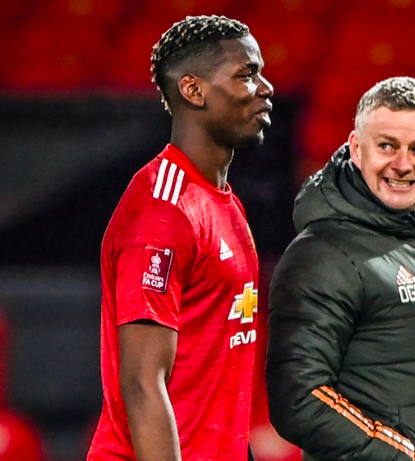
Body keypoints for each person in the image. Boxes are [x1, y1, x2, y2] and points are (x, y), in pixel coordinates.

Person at [266, 76, 415, 461]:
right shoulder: (322, 254)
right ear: (357, 149)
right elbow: (298, 399)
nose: (402, 164)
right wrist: (405, 458)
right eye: (387, 146)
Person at [87, 15, 273, 461]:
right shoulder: (162, 210)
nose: (265, 88)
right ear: (193, 90)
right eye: (246, 75)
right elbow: (142, 383)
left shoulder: (221, 201)